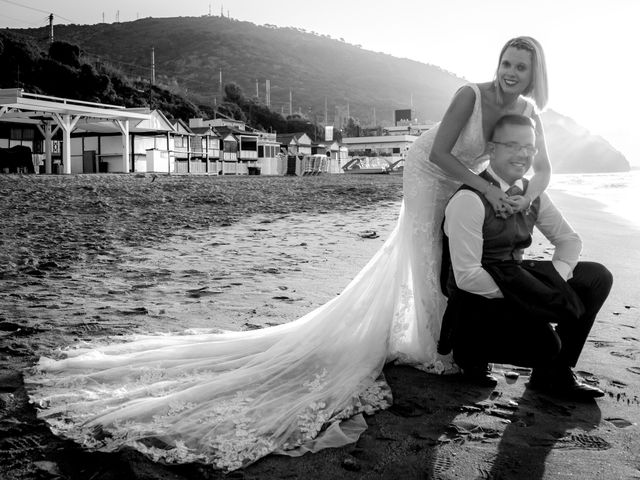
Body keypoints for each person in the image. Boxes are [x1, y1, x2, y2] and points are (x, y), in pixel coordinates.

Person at [25, 37, 553, 471]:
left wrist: (522, 195)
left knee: (449, 256)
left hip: (469, 184)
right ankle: (441, 348)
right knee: (426, 254)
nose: (509, 72)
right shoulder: (471, 95)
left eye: (520, 67)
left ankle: (448, 341)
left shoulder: (527, 111)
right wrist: (487, 191)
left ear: (532, 76)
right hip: (431, 173)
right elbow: (438, 152)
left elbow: (543, 168)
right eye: (506, 62)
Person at [440, 114, 612, 398]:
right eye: (512, 145)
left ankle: (553, 373)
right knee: (546, 345)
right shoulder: (468, 200)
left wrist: (551, 282)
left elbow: (569, 241)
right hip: (474, 306)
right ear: (492, 149)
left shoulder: (530, 194)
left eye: (529, 148)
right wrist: (529, 295)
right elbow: (467, 277)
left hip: (514, 279)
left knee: (596, 278)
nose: (523, 154)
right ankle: (471, 355)